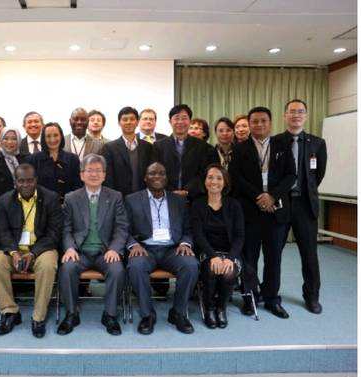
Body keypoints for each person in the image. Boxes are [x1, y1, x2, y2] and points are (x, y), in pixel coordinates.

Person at [229, 106, 295, 319]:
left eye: (263, 121)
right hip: (250, 211)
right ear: (249, 124)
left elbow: (290, 175)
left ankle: (272, 299)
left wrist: (272, 196)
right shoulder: (240, 149)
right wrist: (260, 196)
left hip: (276, 211)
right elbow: (236, 178)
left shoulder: (283, 145)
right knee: (250, 258)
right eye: (254, 121)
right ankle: (250, 298)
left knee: (274, 258)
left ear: (270, 122)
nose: (258, 125)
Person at [57, 154, 128, 336]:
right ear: (81, 175)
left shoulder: (115, 197)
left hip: (105, 252)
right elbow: (66, 228)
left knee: (117, 270)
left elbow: (121, 228)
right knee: (67, 269)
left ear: (104, 175)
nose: (94, 174)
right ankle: (72, 313)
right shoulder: (71, 198)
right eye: (89, 170)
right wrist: (70, 247)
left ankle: (110, 315)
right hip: (80, 252)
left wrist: (114, 248)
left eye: (98, 171)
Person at [0, 164, 62, 338]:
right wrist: (13, 253)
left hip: (41, 249)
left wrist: (33, 253)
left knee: (49, 264)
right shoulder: (5, 200)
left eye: (30, 180)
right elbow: (3, 231)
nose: (26, 185)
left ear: (36, 180)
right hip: (14, 249)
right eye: (21, 181)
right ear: (15, 183)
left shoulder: (51, 198)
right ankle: (10, 312)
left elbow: (54, 233)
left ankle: (38, 316)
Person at [125, 162, 198, 335]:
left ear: (166, 178)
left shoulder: (179, 201)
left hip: (172, 249)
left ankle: (178, 313)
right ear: (145, 178)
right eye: (152, 173)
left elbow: (189, 229)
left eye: (161, 173)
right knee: (136, 266)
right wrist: (133, 244)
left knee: (191, 265)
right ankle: (147, 315)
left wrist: (185, 243)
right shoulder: (132, 200)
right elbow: (123, 229)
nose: (157, 176)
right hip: (145, 248)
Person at [275, 99, 327, 314]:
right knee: (273, 253)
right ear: (285, 115)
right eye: (292, 111)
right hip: (280, 204)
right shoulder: (275, 141)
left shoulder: (317, 143)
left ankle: (312, 296)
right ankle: (271, 295)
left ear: (305, 116)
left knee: (309, 254)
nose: (296, 115)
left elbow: (319, 174)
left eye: (300, 112)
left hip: (305, 205)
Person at [191, 164, 244, 329]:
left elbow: (239, 236)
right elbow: (198, 235)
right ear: (205, 181)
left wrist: (230, 258)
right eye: (210, 177)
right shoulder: (197, 205)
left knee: (228, 272)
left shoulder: (234, 205)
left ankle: (221, 309)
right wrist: (213, 255)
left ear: (225, 182)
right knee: (213, 268)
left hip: (230, 253)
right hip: (207, 252)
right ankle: (209, 309)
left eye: (219, 178)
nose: (214, 181)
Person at [154, 104, 218, 200]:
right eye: (176, 118)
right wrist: (169, 191)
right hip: (165, 198)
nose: (180, 122)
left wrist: (188, 191)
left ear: (190, 121)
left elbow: (204, 173)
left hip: (195, 199)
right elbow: (156, 172)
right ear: (170, 122)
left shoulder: (203, 147)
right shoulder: (158, 146)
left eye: (184, 118)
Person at [102, 106, 154, 197]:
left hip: (143, 197)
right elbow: (108, 178)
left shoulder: (147, 147)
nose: (129, 122)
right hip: (119, 198)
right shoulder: (109, 148)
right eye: (125, 119)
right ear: (119, 123)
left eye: (132, 119)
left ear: (137, 122)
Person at [27, 122, 82, 202]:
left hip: (67, 207)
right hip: (42, 207)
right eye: (48, 136)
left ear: (61, 137)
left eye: (56, 135)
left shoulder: (73, 159)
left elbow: (78, 187)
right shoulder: (33, 159)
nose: (52, 139)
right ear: (43, 138)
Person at [0, 127, 29, 204]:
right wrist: (2, 202)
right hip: (2, 204)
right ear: (1, 140)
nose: (9, 142)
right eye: (6, 138)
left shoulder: (26, 158)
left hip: (25, 203)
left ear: (19, 140)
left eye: (14, 139)